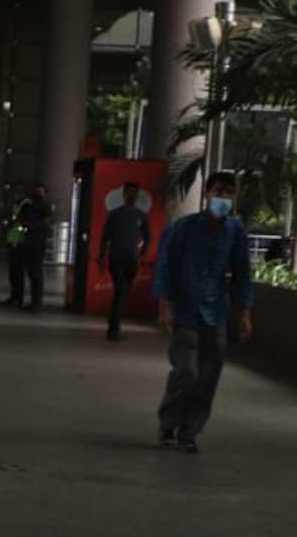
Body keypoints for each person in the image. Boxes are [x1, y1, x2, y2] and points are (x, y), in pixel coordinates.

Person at [155, 169, 253, 454]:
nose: (222, 197)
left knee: (209, 375)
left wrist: (245, 313)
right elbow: (165, 268)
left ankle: (191, 430)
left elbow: (242, 275)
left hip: (215, 312)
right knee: (185, 370)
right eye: (217, 191)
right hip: (184, 308)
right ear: (207, 194)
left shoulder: (235, 233)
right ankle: (168, 422)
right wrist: (164, 306)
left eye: (228, 193)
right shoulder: (182, 228)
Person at [98, 180, 151, 341]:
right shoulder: (114, 214)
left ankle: (113, 321)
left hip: (131, 259)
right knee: (121, 291)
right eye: (128, 192)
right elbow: (105, 237)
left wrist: (142, 253)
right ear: (124, 194)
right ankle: (114, 329)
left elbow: (148, 236)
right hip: (116, 258)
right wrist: (102, 257)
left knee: (123, 293)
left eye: (134, 193)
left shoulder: (140, 215)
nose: (131, 195)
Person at [23, 184, 52, 312]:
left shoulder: (45, 206)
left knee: (36, 272)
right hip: (30, 242)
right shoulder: (30, 205)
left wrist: (31, 225)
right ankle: (34, 301)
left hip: (38, 243)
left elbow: (45, 221)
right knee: (31, 271)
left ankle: (37, 301)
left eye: (40, 191)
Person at [2, 180, 30, 306]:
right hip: (12, 241)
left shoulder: (26, 204)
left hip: (20, 243)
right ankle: (14, 296)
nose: (15, 193)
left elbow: (21, 222)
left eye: (18, 190)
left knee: (18, 272)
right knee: (12, 272)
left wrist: (15, 224)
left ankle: (18, 298)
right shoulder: (15, 204)